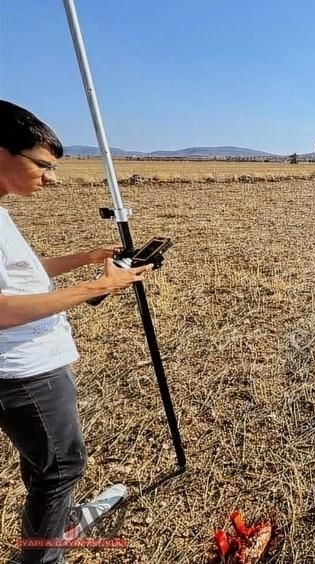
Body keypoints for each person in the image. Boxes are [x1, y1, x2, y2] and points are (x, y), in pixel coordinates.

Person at [0, 99, 151, 564]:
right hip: (23, 371)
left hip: (29, 363)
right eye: (41, 165)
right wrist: (97, 286)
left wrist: (83, 257)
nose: (51, 177)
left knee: (46, 464)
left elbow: (18, 275)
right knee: (61, 469)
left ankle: (57, 521)